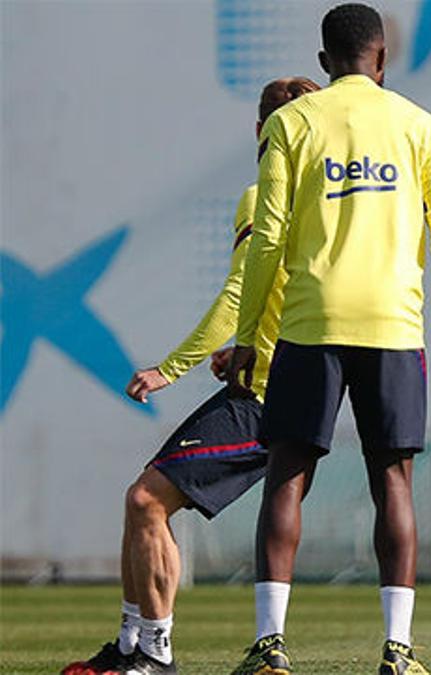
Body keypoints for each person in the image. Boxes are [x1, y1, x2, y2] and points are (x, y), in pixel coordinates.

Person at [225, 4, 431, 675]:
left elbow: (269, 237)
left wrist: (248, 334)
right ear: (383, 58)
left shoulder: (291, 122)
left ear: (323, 61)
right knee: (392, 478)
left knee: (287, 476)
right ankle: (399, 649)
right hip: (393, 323)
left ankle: (269, 646)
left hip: (310, 323)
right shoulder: (422, 126)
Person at [60, 78, 320, 675]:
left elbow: (237, 292)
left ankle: (155, 653)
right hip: (284, 383)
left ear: (264, 132)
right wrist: (246, 345)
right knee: (143, 503)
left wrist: (168, 368)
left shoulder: (265, 197)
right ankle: (130, 646)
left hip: (267, 399)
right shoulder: (324, 202)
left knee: (148, 500)